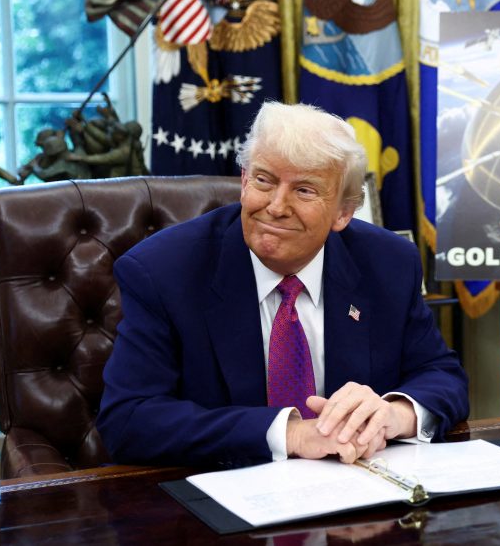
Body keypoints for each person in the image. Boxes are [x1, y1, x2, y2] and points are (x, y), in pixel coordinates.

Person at [98, 102, 469, 468]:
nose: (276, 206)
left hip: (358, 498)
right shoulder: (162, 271)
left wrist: (393, 414)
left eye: (305, 190)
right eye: (264, 180)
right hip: (218, 501)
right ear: (244, 181)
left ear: (343, 212)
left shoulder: (388, 262)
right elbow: (129, 419)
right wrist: (291, 434)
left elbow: (442, 374)